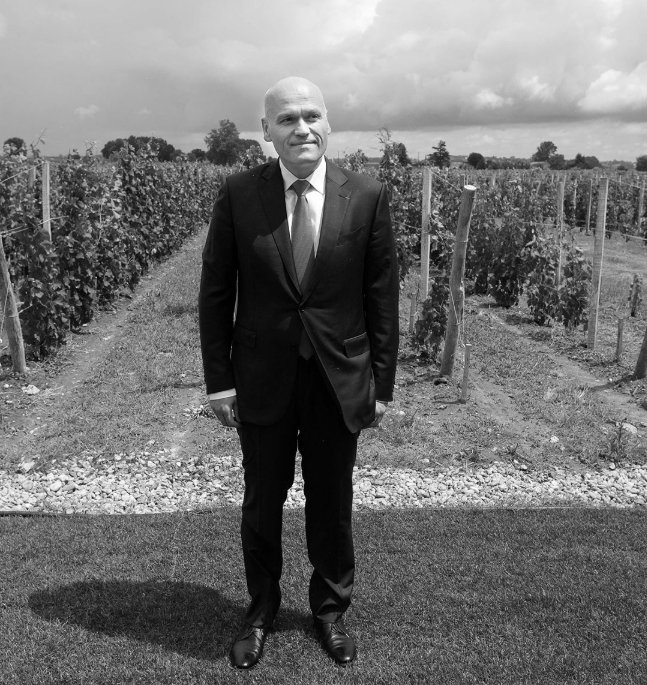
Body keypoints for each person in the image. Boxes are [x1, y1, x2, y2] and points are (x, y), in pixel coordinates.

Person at [198, 76, 398, 668]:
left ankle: (330, 610)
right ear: (266, 131)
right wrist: (220, 380)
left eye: (311, 116)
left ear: (329, 123)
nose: (301, 128)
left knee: (331, 499)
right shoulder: (238, 194)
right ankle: (259, 610)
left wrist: (380, 385)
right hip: (261, 379)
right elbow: (216, 291)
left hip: (339, 380)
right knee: (262, 501)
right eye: (286, 119)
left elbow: (381, 295)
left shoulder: (365, 195)